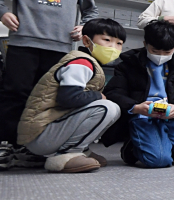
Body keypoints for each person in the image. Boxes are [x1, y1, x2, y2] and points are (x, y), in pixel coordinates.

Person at [0, 0, 98, 170]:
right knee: (15, 93)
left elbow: (91, 11)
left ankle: (35, 147)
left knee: (47, 100)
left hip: (61, 50)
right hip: (24, 44)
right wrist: (2, 12)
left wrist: (84, 27)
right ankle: (6, 144)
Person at [16, 19, 125, 173]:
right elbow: (68, 98)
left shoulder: (89, 62)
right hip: (40, 134)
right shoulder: (81, 63)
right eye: (107, 40)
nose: (113, 47)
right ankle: (66, 154)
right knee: (108, 108)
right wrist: (98, 96)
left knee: (109, 107)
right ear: (87, 40)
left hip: (48, 130)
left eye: (119, 43)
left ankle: (81, 150)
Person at [102, 20, 174, 168]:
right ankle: (133, 146)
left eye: (167, 52)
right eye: (155, 51)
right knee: (159, 161)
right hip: (142, 116)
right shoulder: (129, 64)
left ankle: (161, 144)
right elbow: (113, 92)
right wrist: (136, 107)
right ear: (145, 44)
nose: (161, 56)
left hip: (173, 116)